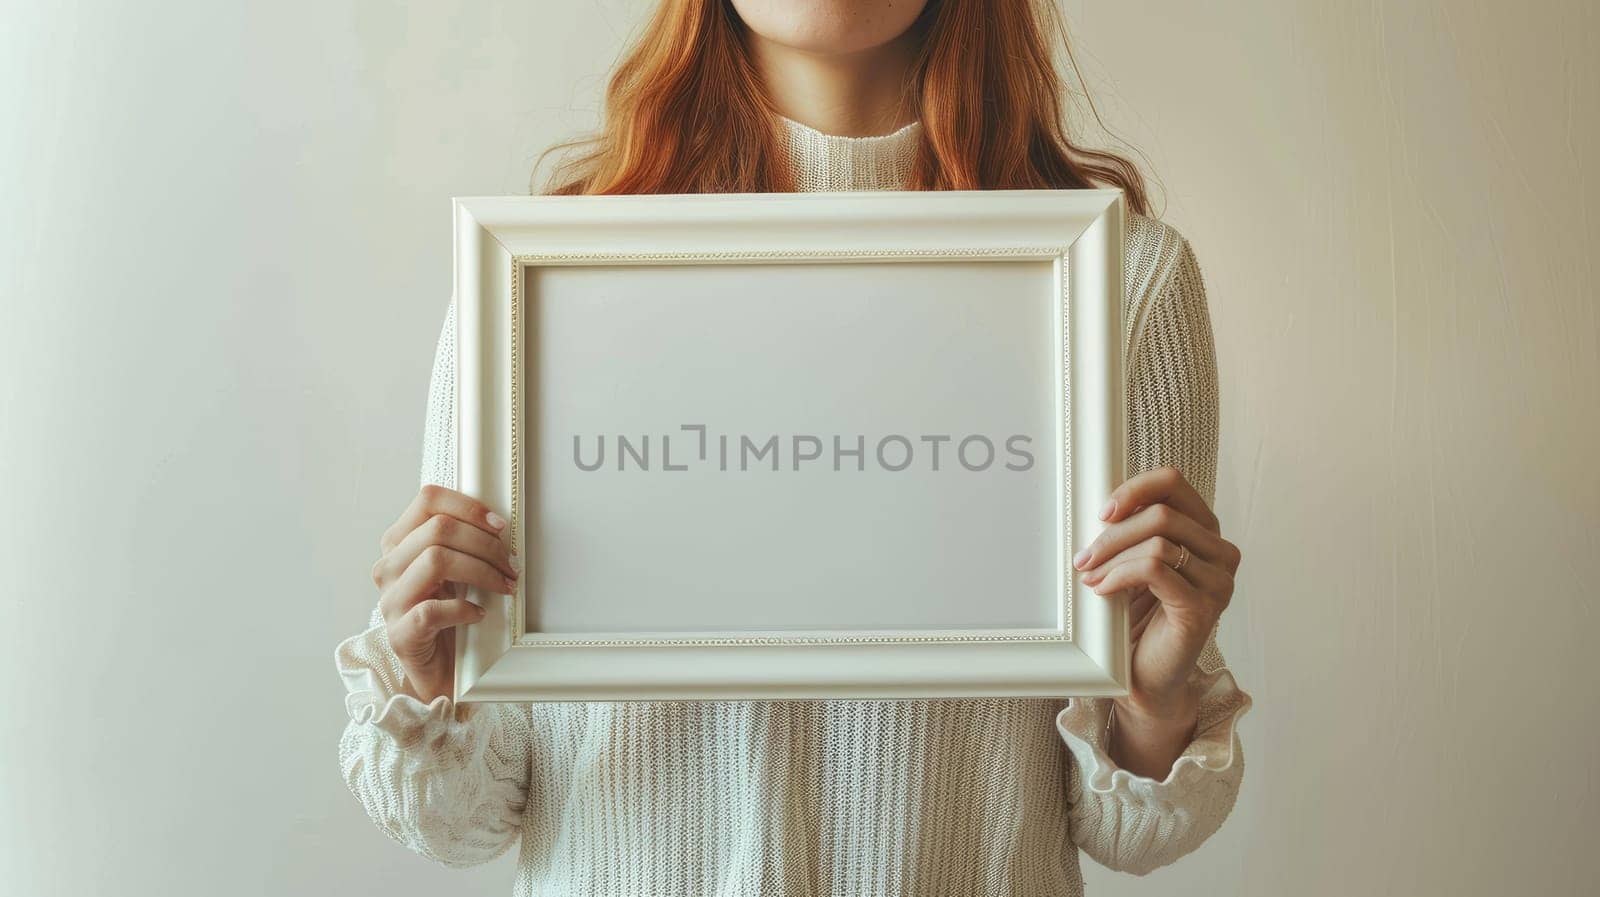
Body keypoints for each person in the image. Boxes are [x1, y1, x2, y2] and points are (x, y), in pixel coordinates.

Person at [335, 1, 1253, 892]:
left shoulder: (1117, 286)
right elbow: (457, 822)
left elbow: (1125, 834)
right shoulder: (541, 283)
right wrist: (429, 676)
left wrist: (1158, 697)